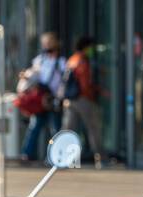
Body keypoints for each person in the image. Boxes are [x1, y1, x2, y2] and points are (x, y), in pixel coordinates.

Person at [19, 32, 65, 164]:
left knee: (55, 129)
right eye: (45, 43)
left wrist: (59, 97)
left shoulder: (61, 62)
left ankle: (55, 156)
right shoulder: (40, 60)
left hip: (53, 99)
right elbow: (34, 75)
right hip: (40, 99)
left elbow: (63, 82)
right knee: (35, 127)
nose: (46, 46)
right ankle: (27, 154)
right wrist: (27, 78)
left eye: (49, 43)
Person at [62, 36, 103, 168]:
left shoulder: (72, 59)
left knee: (69, 129)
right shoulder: (82, 61)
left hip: (70, 100)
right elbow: (85, 84)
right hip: (82, 99)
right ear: (86, 47)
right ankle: (100, 158)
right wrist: (93, 94)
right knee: (93, 128)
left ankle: (65, 158)